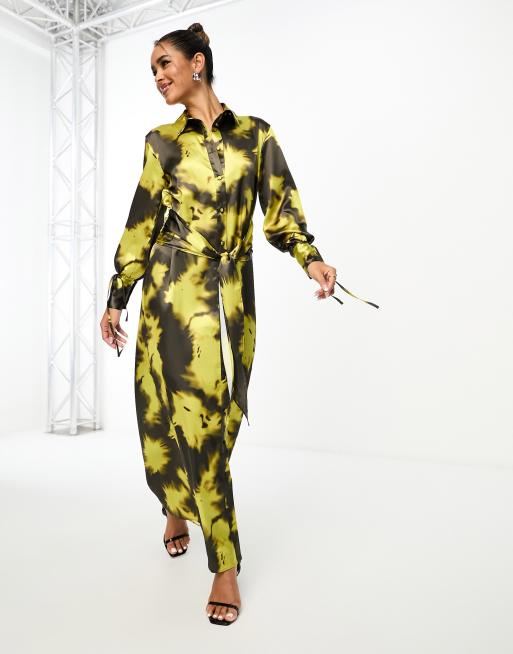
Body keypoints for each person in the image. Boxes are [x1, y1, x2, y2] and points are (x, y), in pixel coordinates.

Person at [100, 22, 341, 626]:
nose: (158, 76)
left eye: (165, 64)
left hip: (233, 300)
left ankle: (180, 502)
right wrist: (117, 296)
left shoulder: (256, 136)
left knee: (221, 418)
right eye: (152, 70)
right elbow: (141, 224)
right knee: (180, 420)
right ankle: (224, 564)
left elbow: (281, 210)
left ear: (197, 63)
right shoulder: (160, 143)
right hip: (171, 298)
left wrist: (311, 259)